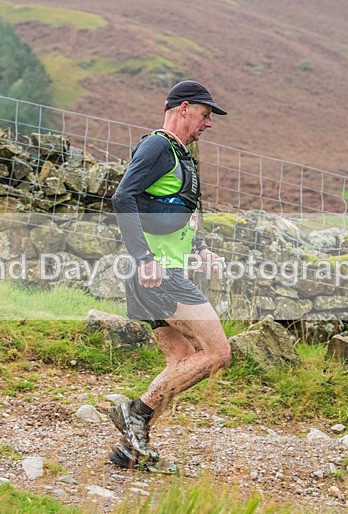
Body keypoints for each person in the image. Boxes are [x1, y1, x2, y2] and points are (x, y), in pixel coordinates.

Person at [108, 80, 232, 473]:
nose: (208, 124)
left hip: (161, 271)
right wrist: (144, 257)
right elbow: (123, 197)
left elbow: (180, 212)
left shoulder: (183, 157)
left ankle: (131, 449)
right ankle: (138, 413)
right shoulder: (158, 146)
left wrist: (202, 249)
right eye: (205, 115)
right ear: (183, 108)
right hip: (156, 273)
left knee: (180, 358)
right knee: (217, 354)